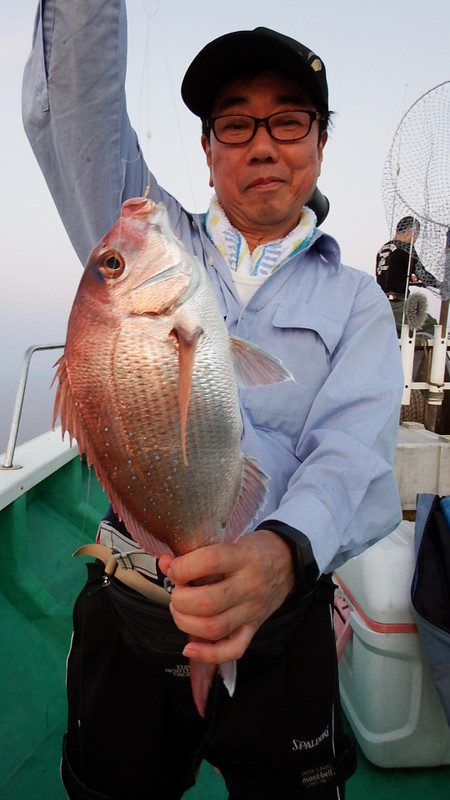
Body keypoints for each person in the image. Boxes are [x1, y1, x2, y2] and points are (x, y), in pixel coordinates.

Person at [23, 4, 404, 799]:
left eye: (288, 121)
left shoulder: (358, 302)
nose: (262, 143)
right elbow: (74, 105)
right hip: (134, 607)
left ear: (320, 142)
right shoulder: (146, 235)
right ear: (206, 150)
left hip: (283, 618)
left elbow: (353, 453)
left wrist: (282, 555)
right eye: (234, 124)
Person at [376, 216, 440, 335]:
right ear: (410, 231)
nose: (415, 240)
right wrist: (441, 285)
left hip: (381, 304)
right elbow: (423, 274)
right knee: (434, 327)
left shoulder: (383, 249)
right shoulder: (406, 248)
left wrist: (409, 277)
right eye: (416, 236)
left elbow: (391, 273)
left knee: (399, 337)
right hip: (398, 305)